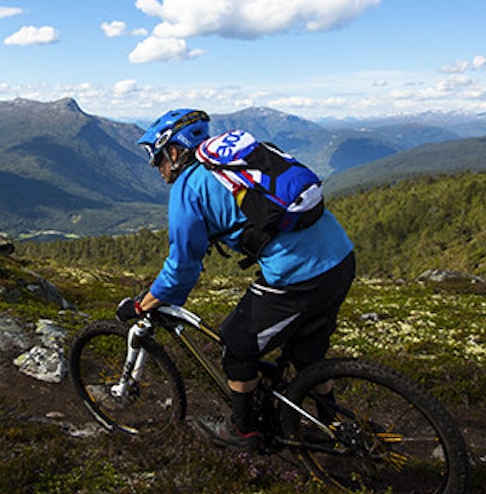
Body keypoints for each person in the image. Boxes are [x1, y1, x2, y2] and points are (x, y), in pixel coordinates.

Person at [117, 108, 356, 451]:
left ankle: (244, 431)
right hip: (341, 257)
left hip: (298, 275)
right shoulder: (239, 158)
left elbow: (182, 267)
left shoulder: (188, 187)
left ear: (173, 151)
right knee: (307, 350)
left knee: (236, 342)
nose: (158, 170)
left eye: (158, 161)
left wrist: (144, 303)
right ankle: (334, 424)